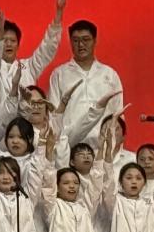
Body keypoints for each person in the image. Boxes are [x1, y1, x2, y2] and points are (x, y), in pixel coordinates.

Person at [48, 19, 124, 157]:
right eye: (75, 40)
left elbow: (118, 114)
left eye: (86, 39)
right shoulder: (59, 74)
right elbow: (53, 115)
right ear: (70, 42)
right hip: (71, 149)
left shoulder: (109, 74)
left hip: (103, 149)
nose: (81, 44)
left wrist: (114, 150)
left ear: (95, 41)